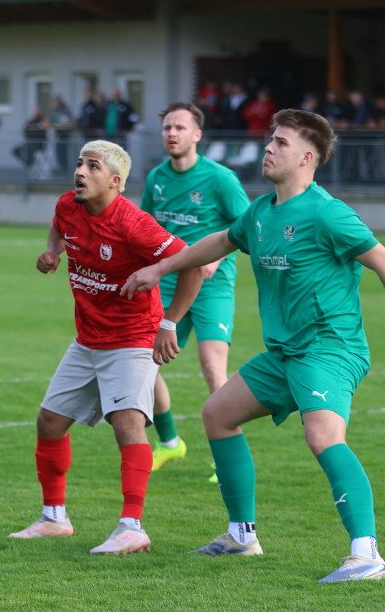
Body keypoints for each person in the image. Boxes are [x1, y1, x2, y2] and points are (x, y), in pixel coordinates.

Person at [123, 108, 385, 583]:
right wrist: (159, 268)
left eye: (280, 143)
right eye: (270, 140)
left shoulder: (327, 212)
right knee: (218, 415)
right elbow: (219, 241)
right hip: (283, 352)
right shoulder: (260, 212)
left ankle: (367, 555)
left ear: (307, 157)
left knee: (322, 437)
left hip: (328, 347)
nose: (268, 148)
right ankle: (242, 535)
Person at [8, 139, 203, 554]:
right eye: (80, 163)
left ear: (115, 182)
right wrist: (52, 252)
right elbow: (59, 225)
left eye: (92, 166)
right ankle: (53, 518)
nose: (80, 171)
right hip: (88, 338)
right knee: (49, 422)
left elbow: (193, 264)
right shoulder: (68, 204)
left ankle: (132, 527)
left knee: (126, 422)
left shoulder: (134, 224)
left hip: (133, 338)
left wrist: (169, 322)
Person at [139, 103, 250, 483]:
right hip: (168, 285)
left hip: (211, 287)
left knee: (212, 366)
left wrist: (217, 256)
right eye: (167, 127)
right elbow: (145, 227)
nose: (172, 133)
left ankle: (227, 459)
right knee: (144, 364)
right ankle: (170, 442)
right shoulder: (156, 178)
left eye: (180, 128)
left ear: (197, 135)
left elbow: (248, 224)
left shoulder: (220, 179)